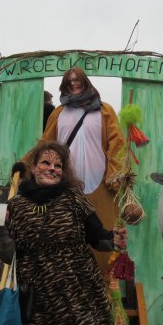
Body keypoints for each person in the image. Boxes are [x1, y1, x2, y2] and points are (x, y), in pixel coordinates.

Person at [0, 140, 128, 325]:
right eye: (46, 163)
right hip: (38, 300)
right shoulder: (15, 206)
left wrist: (114, 239)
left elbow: (98, 237)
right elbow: (8, 255)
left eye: (58, 165)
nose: (52, 168)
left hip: (79, 293)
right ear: (33, 167)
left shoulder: (74, 198)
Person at [42, 66, 125, 273]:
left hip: (100, 185)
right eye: (69, 81)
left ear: (85, 81)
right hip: (63, 187)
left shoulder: (104, 110)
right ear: (65, 85)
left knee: (104, 234)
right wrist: (28, 168)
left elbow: (117, 145)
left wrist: (114, 174)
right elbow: (46, 145)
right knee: (65, 235)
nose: (74, 83)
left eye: (77, 79)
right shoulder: (58, 113)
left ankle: (104, 283)